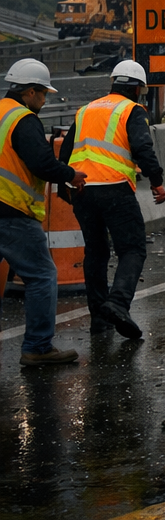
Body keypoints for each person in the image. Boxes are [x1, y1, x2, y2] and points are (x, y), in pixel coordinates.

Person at [60, 59, 164, 340]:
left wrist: (65, 186)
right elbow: (143, 147)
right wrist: (156, 181)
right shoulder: (132, 110)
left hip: (82, 190)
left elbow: (65, 152)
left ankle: (99, 320)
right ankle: (117, 304)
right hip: (114, 188)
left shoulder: (85, 110)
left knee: (95, 252)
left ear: (113, 83)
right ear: (139, 89)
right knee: (132, 249)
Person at [0, 59, 88, 365]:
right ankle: (37, 348)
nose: (45, 99)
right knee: (41, 275)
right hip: (11, 210)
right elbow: (41, 163)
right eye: (43, 93)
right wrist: (70, 174)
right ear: (29, 92)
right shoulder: (22, 120)